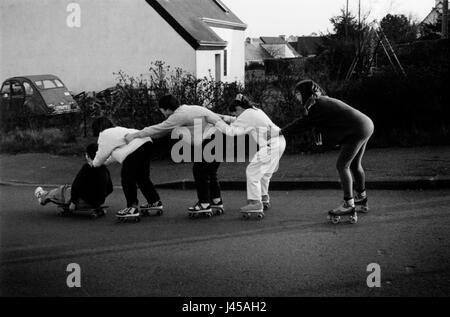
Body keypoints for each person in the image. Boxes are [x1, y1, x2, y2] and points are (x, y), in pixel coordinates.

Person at [281, 80, 374, 215]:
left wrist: (281, 132)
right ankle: (361, 197)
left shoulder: (317, 105)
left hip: (357, 129)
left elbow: (304, 123)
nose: (297, 97)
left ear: (305, 92)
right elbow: (321, 122)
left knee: (342, 166)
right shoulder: (319, 100)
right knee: (354, 165)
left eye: (298, 93)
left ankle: (349, 204)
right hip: (365, 124)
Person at [124, 94, 224, 214]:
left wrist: (135, 135)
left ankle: (204, 204)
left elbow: (159, 129)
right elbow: (218, 116)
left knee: (200, 171)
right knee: (210, 172)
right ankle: (216, 202)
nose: (163, 114)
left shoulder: (178, 116)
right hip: (219, 138)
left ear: (166, 109)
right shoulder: (191, 109)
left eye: (162, 111)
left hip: (209, 141)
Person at [205, 94, 286, 213]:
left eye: (235, 113)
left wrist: (216, 122)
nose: (236, 116)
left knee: (252, 171)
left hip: (271, 145)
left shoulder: (247, 114)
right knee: (264, 174)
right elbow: (238, 121)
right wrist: (222, 117)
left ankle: (255, 203)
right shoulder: (254, 111)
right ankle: (263, 198)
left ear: (239, 109)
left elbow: (230, 131)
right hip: (280, 141)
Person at [91, 117, 162, 218]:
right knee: (142, 177)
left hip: (135, 150)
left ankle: (131, 207)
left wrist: (94, 164)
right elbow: (113, 155)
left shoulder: (104, 135)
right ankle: (154, 201)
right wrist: (104, 163)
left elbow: (101, 155)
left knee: (127, 179)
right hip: (147, 144)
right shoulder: (117, 131)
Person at [34, 143, 113, 210]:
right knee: (70, 190)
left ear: (88, 156)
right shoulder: (104, 169)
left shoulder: (87, 168)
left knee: (64, 190)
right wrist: (99, 198)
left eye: (86, 154)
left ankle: (42, 197)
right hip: (97, 202)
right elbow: (110, 188)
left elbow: (76, 185)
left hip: (82, 202)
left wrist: (73, 203)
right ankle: (45, 195)